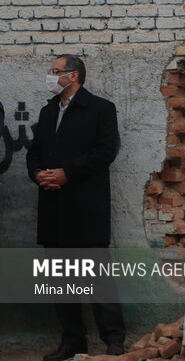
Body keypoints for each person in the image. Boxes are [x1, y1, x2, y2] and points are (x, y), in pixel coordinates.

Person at [26, 55, 125, 359]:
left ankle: (113, 340)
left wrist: (67, 172)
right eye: (50, 71)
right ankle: (72, 341)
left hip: (86, 208)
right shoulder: (47, 111)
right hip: (54, 207)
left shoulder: (101, 109)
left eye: (55, 72)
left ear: (73, 76)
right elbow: (35, 152)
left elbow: (106, 151)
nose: (50, 76)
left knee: (97, 279)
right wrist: (38, 173)